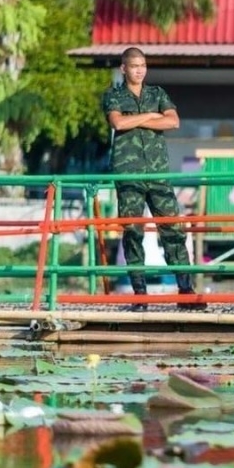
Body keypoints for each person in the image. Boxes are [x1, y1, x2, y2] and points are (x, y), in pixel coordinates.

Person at [102, 47, 199, 309]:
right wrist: (151, 116)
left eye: (143, 65)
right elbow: (118, 123)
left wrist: (137, 119)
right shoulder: (113, 94)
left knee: (172, 229)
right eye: (134, 66)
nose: (140, 70)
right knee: (133, 231)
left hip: (158, 173)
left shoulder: (157, 93)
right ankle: (140, 295)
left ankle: (186, 291)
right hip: (128, 174)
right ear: (124, 68)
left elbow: (173, 122)